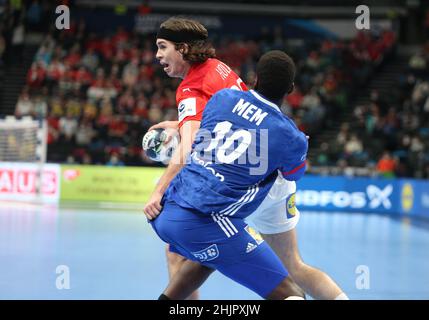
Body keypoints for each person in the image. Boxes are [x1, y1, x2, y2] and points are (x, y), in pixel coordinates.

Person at [144, 17, 348, 300]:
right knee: (294, 266)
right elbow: (228, 122)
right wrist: (180, 124)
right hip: (270, 167)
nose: (157, 55)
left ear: (183, 48)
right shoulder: (219, 69)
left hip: (245, 181)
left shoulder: (190, 88)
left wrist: (160, 189)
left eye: (162, 46)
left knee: (185, 244)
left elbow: (192, 141)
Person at [151, 50, 308, 299]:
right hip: (205, 221)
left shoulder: (223, 98)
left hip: (166, 211)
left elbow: (198, 129)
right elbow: (292, 175)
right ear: (290, 89)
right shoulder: (291, 137)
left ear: (255, 79)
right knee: (292, 293)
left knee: (207, 260)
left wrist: (176, 125)